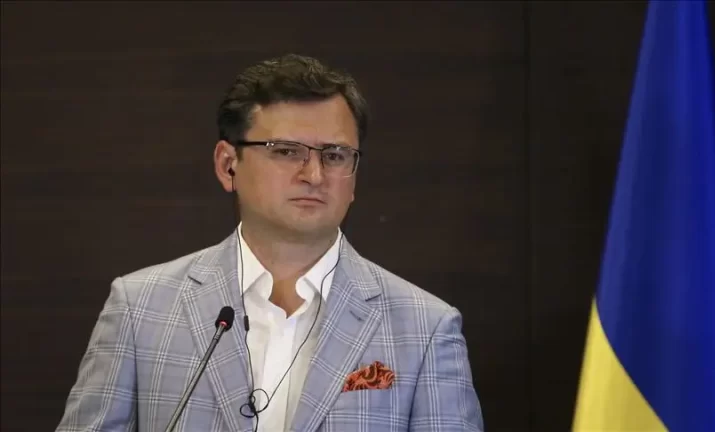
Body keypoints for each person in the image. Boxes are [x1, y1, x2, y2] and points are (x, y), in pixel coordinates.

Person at [56, 53, 484, 432]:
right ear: (228, 165)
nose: (314, 175)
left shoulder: (425, 328)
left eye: (335, 155)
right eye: (286, 151)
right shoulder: (140, 308)